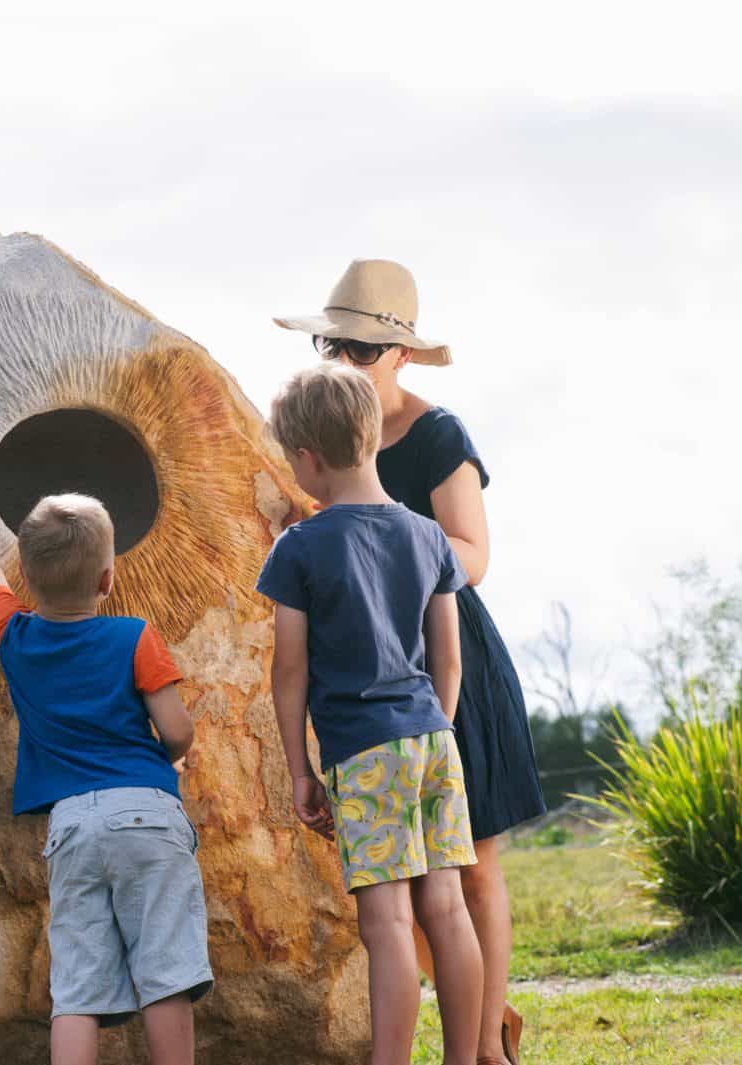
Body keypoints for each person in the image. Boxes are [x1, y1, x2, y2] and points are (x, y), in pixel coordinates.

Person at [276, 260, 544, 1064]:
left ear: (398, 354)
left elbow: (474, 553)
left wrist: (376, 566)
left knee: (471, 874)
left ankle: (488, 1041)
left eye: (357, 346)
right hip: (398, 682)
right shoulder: (330, 439)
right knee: (426, 898)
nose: (341, 359)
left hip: (440, 660)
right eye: (332, 343)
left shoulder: (436, 435)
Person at [0, 446, 213, 1065]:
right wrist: (170, 755)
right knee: (165, 974)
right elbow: (177, 729)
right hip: (149, 816)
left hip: (73, 827)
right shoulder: (134, 636)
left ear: (25, 579)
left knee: (77, 988)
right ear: (108, 579)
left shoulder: (15, 636)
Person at [257, 364, 485, 1065]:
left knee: (386, 919)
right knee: (446, 908)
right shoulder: (427, 537)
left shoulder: (299, 547)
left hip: (363, 751)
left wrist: (300, 769)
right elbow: (447, 659)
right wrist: (435, 728)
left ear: (306, 459)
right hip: (433, 741)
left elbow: (289, 670)